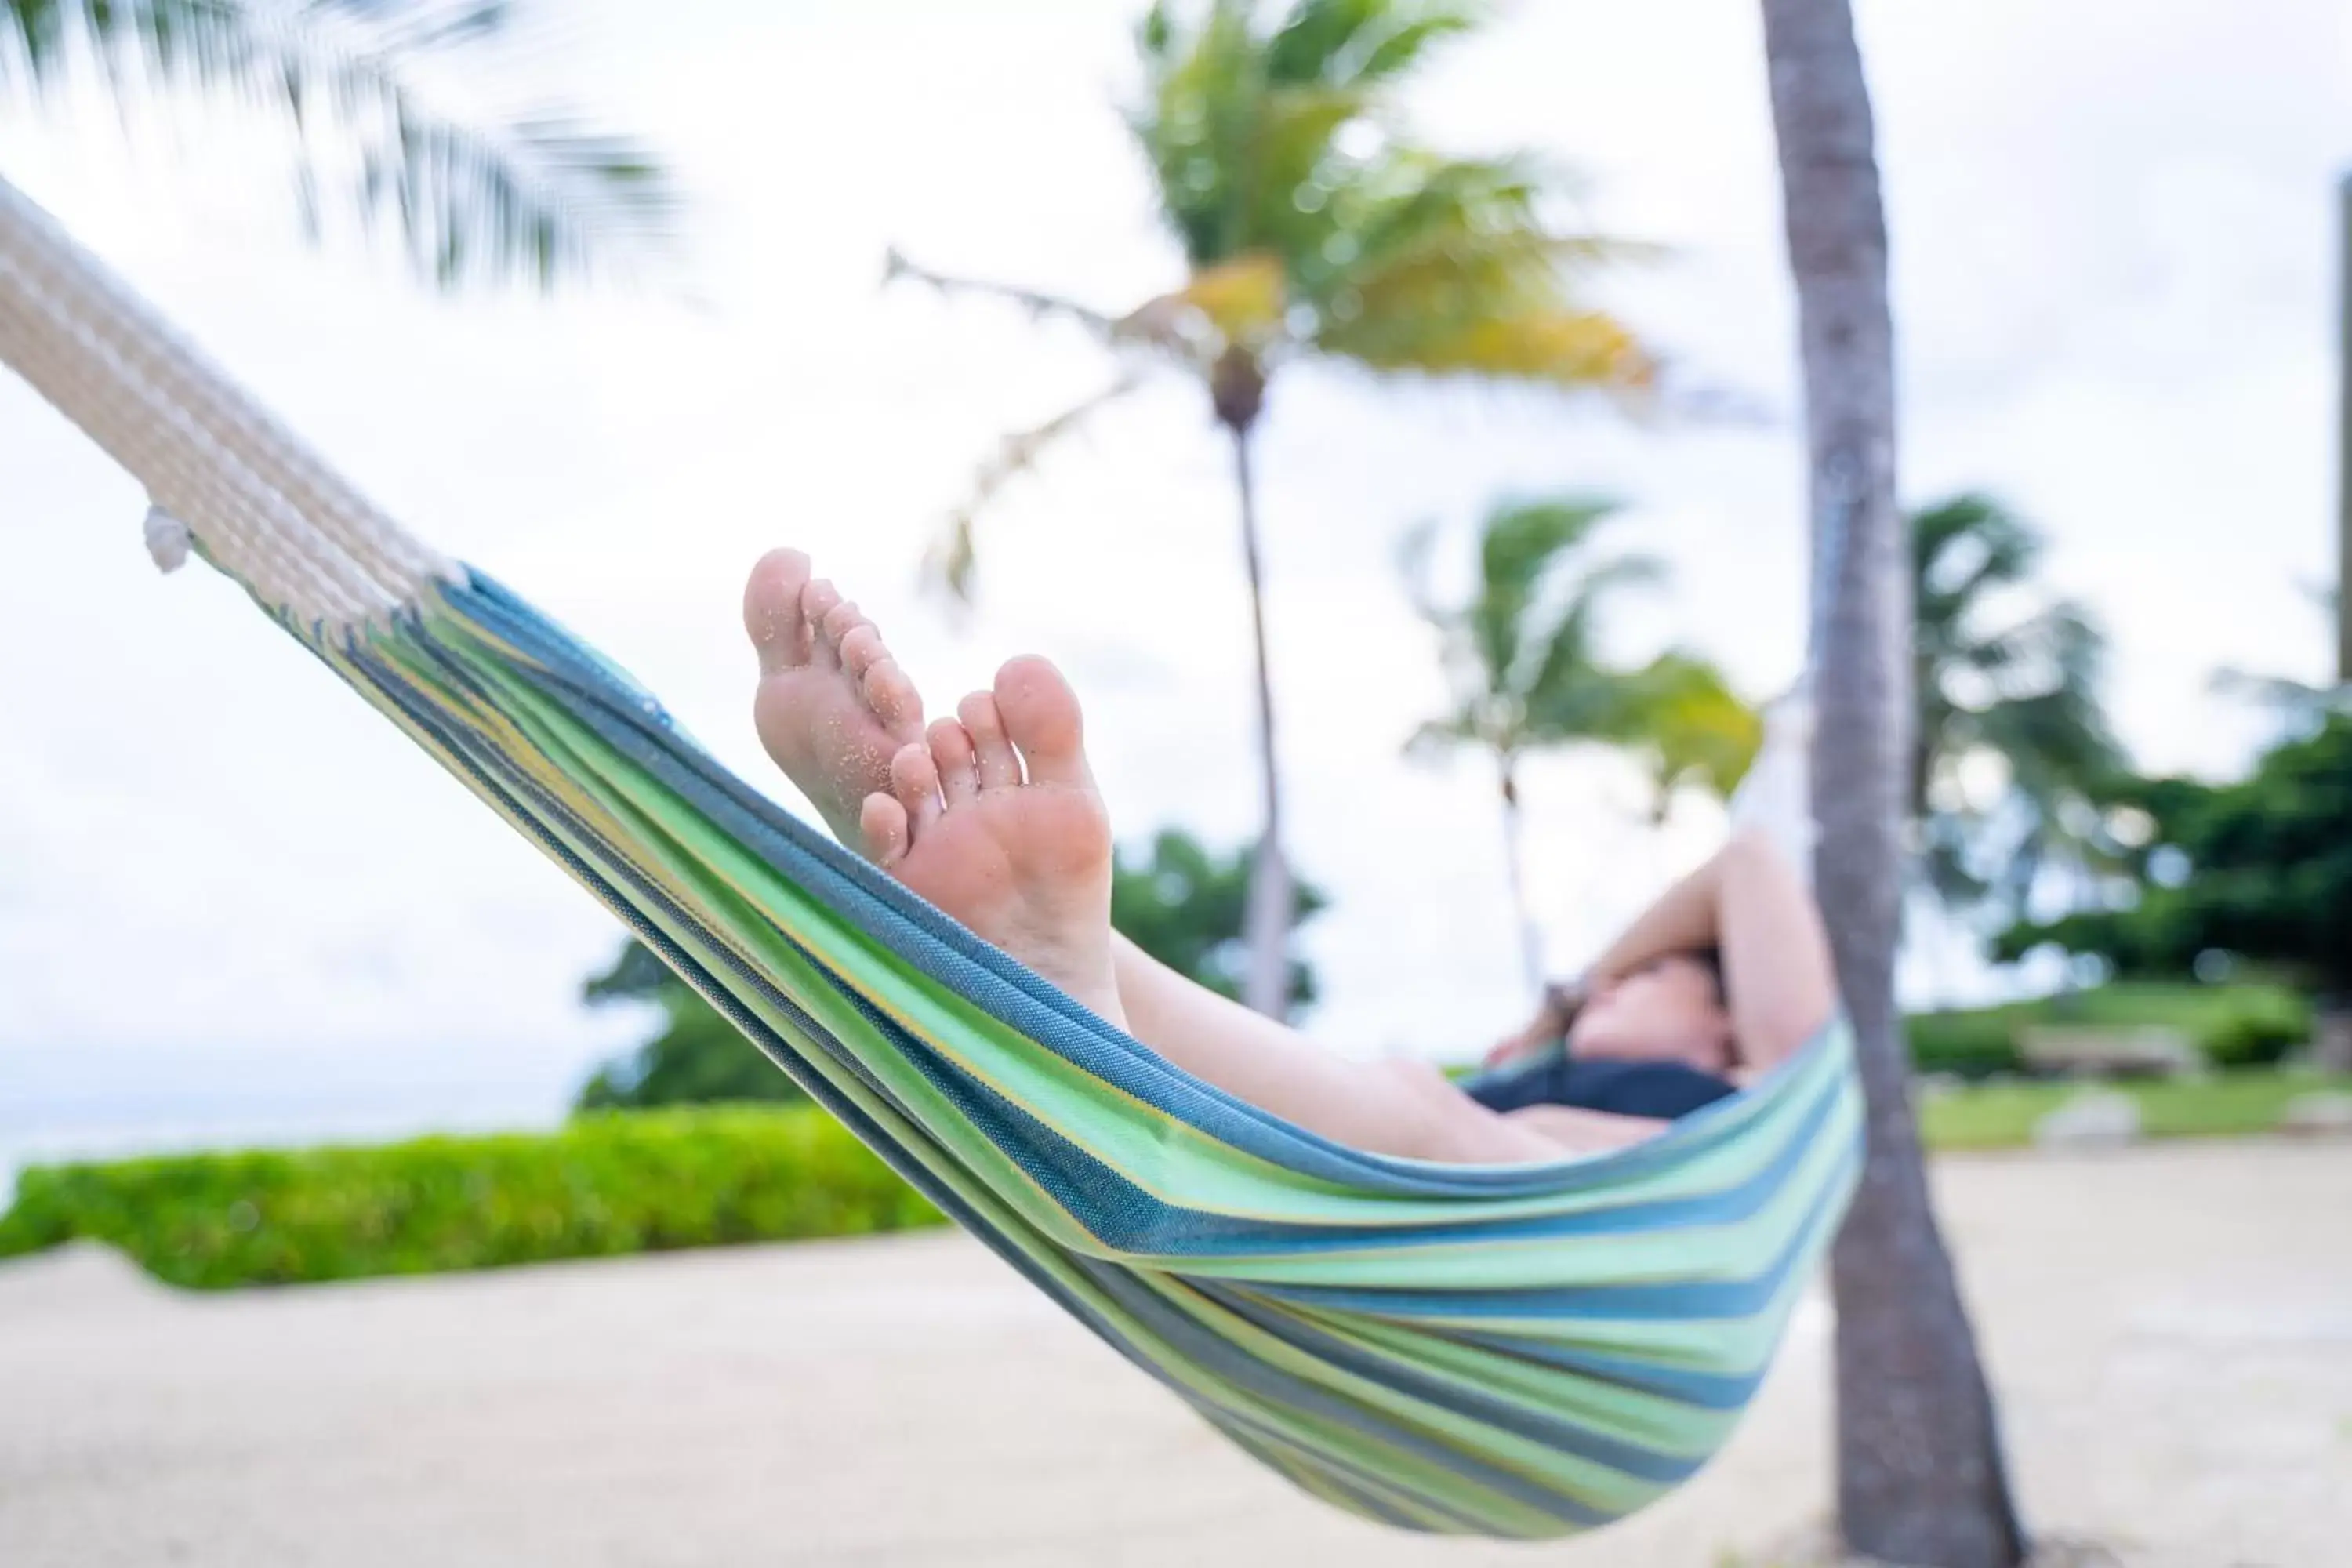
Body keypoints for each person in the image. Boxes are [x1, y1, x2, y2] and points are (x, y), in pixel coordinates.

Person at [744, 549, 1838, 1166]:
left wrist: (1577, 995)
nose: (1623, 986)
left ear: (1721, 1024)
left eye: (1658, 980)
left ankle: (1033, 963)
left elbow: (1746, 864)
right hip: (1402, 1192)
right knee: (1395, 1102)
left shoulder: (1757, 1101)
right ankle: (1047, 973)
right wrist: (1570, 1017)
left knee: (1425, 1111)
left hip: (1568, 1223)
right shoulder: (1536, 1071)